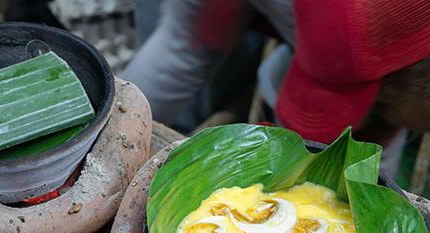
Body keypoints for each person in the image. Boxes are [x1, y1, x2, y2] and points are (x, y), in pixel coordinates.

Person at [123, 0, 430, 177]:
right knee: (187, 48)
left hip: (352, 36)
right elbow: (300, 139)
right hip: (338, 26)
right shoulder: (342, 37)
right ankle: (115, 148)